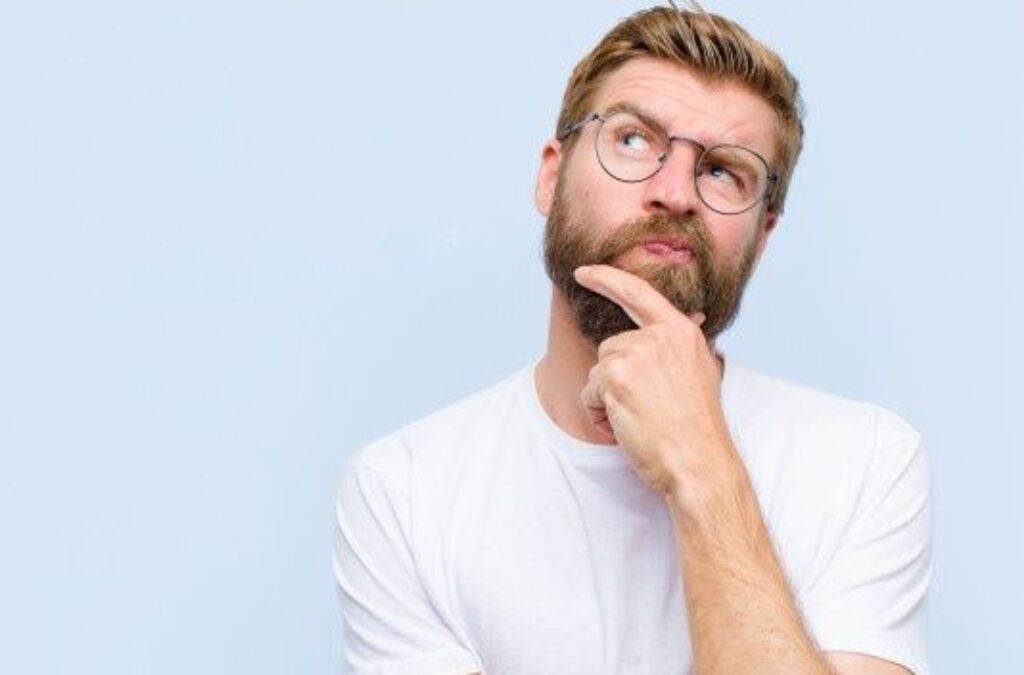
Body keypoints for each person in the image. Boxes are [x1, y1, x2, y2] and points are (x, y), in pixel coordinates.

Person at [332, 6, 931, 675]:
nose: (674, 193)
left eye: (723, 171)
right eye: (634, 140)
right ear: (552, 175)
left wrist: (701, 465)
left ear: (762, 237)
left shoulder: (864, 462)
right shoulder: (405, 489)